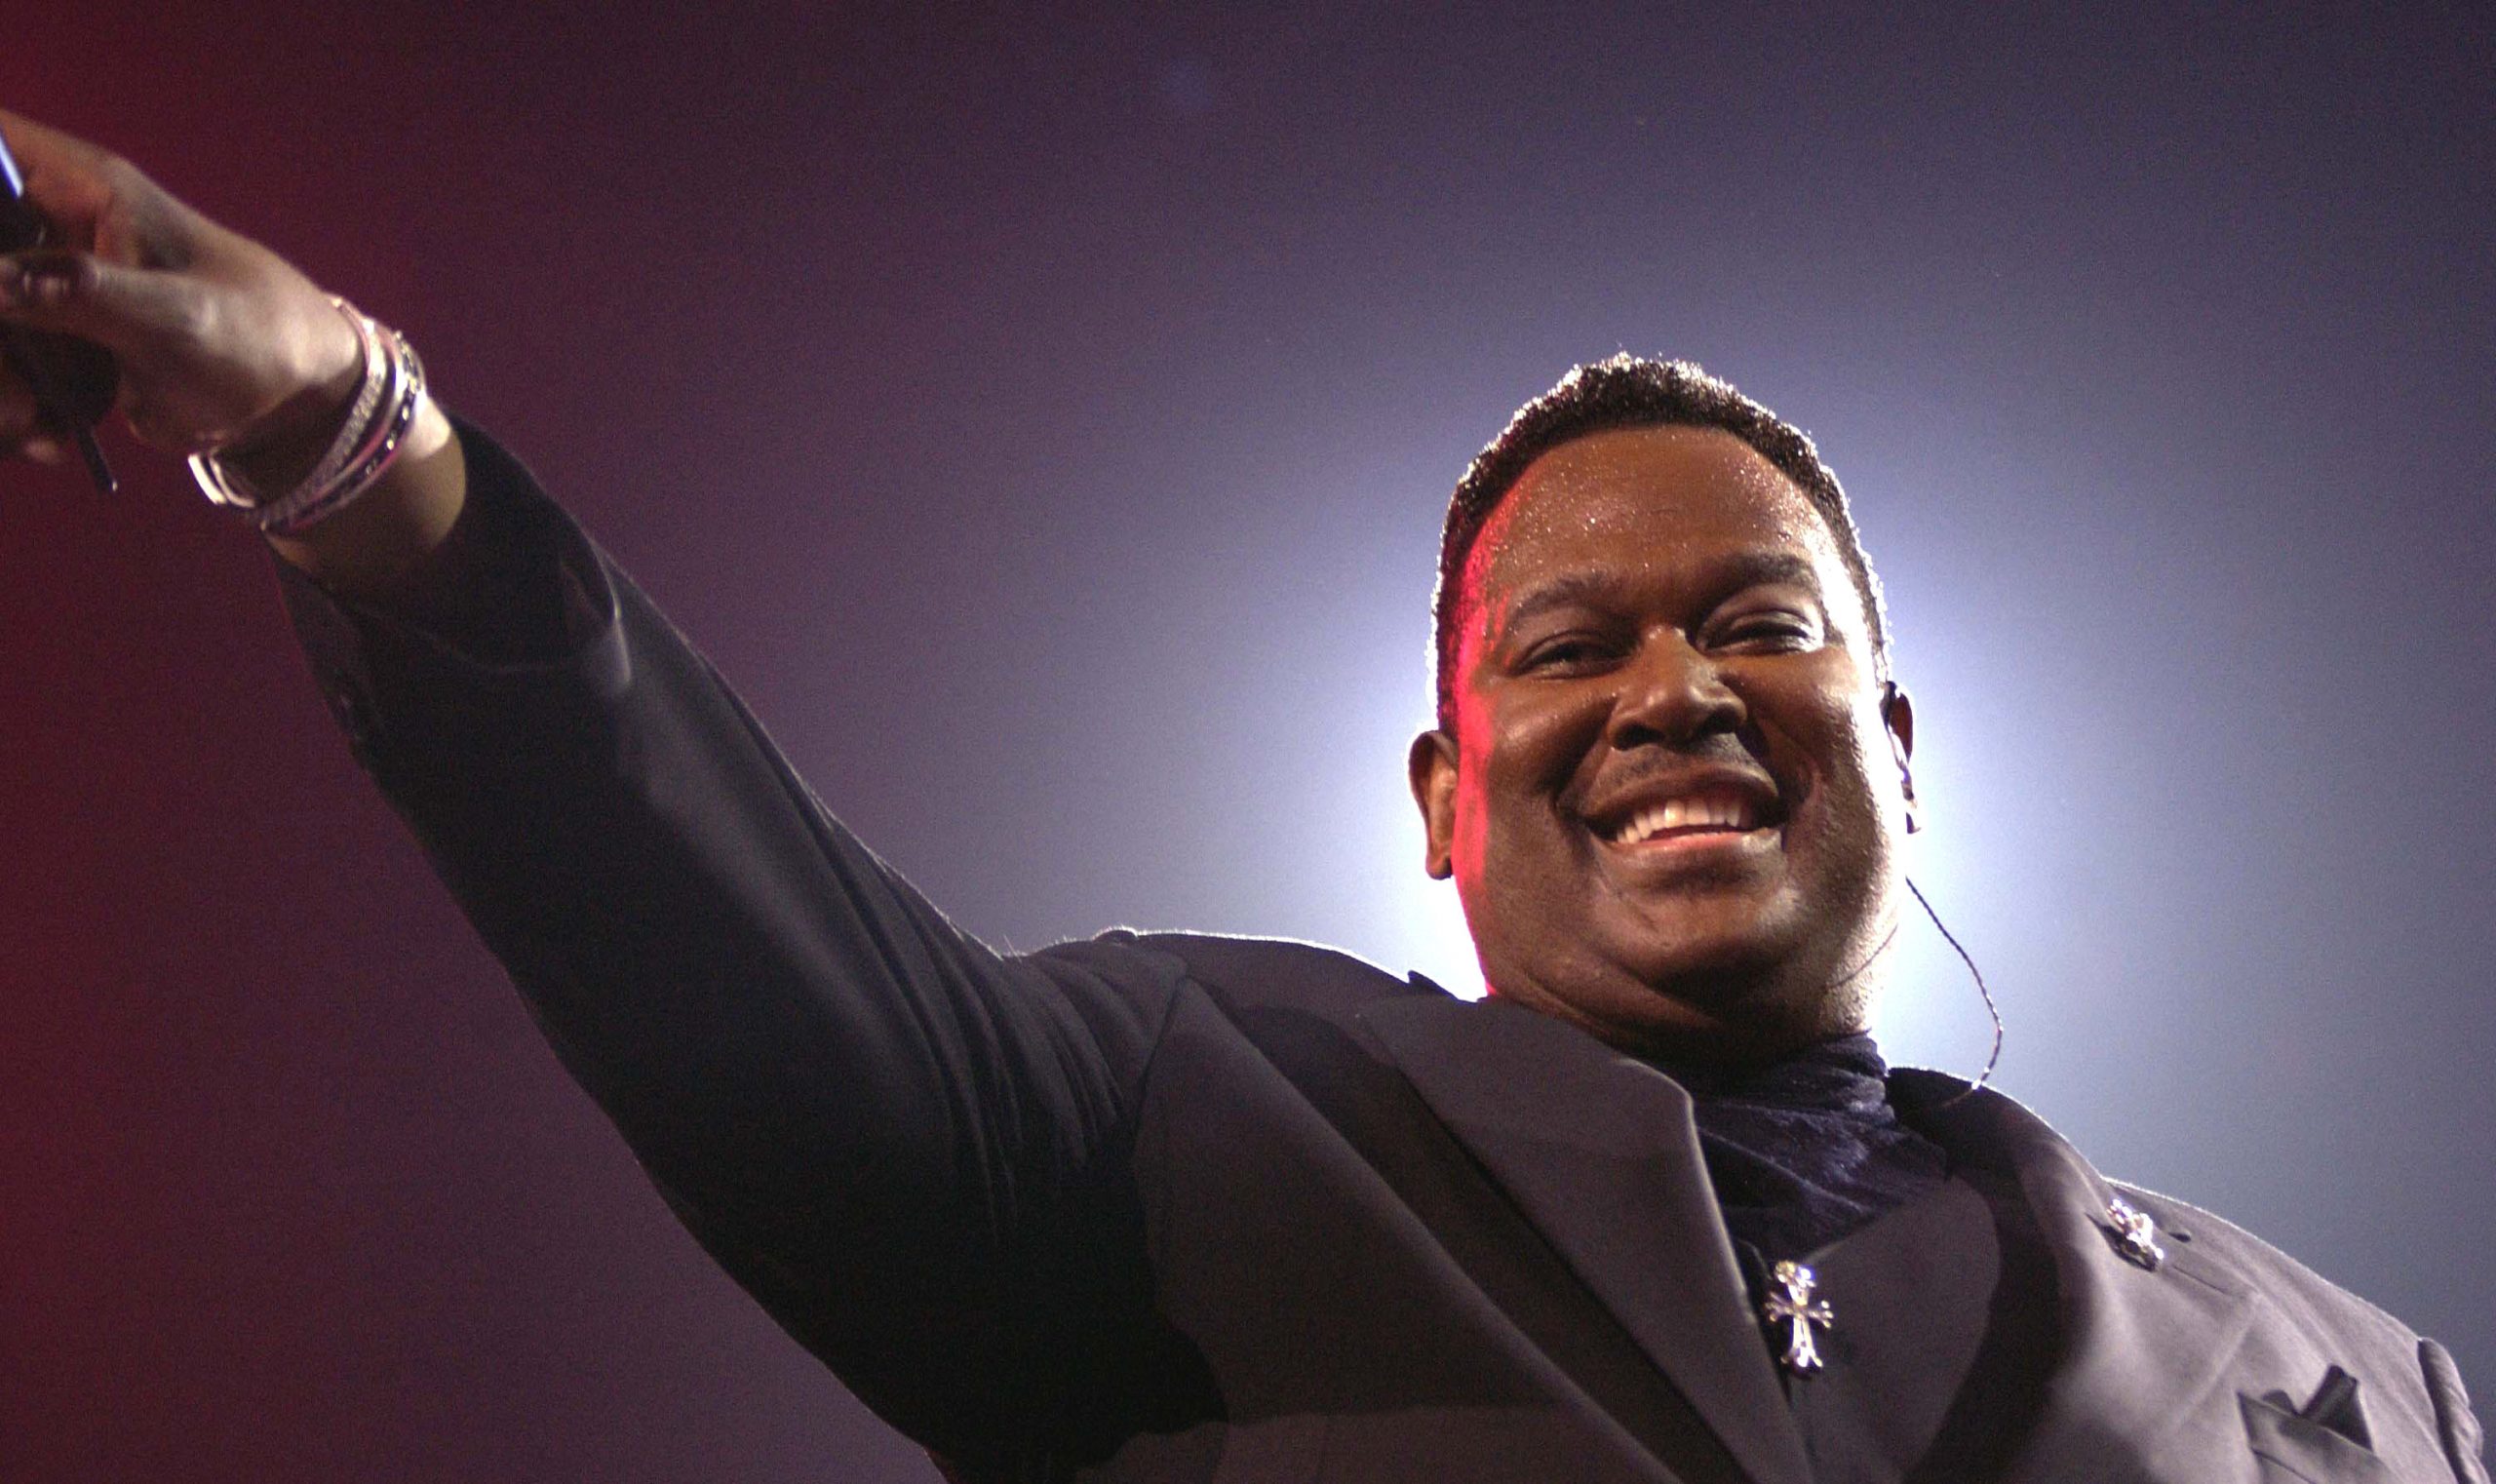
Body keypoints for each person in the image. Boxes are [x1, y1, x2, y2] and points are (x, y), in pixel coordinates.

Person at [1, 109, 2483, 1484]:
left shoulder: (2362, 1376)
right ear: (1439, 793)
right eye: (1565, 646)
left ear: (1898, 752)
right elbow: (725, 935)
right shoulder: (1197, 1109)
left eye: (1758, 621)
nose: (1671, 688)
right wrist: (337, 423)